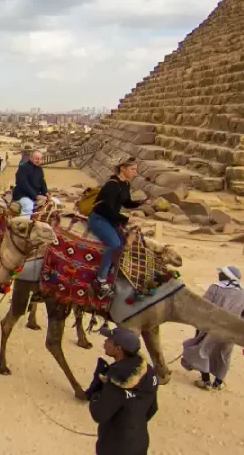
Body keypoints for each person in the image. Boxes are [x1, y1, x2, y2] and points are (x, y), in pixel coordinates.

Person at [86, 327, 158, 455]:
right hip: (139, 442)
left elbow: (99, 414)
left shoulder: (116, 378)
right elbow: (152, 409)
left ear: (118, 349)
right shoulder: (149, 372)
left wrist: (96, 390)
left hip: (115, 447)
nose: (105, 341)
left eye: (109, 340)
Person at [181, 265, 244, 390]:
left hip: (212, 327)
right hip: (231, 331)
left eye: (222, 273)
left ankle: (205, 382)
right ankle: (218, 383)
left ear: (228, 276)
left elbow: (203, 306)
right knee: (224, 355)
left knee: (202, 352)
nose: (219, 274)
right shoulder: (243, 293)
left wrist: (198, 325)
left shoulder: (215, 288)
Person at [88, 158, 144, 298]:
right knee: (114, 243)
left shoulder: (125, 184)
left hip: (111, 219)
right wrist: (126, 219)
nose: (135, 172)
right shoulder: (112, 185)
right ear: (123, 168)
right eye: (132, 169)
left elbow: (127, 202)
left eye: (135, 169)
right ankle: (100, 280)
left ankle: (113, 270)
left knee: (126, 242)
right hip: (99, 218)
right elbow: (106, 209)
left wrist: (142, 203)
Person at [12, 150, 48, 216]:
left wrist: (46, 193)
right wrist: (35, 196)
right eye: (37, 159)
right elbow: (23, 183)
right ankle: (23, 222)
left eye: (40, 159)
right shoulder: (23, 167)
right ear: (31, 158)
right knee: (28, 205)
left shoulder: (39, 169)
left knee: (55, 202)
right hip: (22, 195)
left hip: (35, 195)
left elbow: (42, 182)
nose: (39, 161)